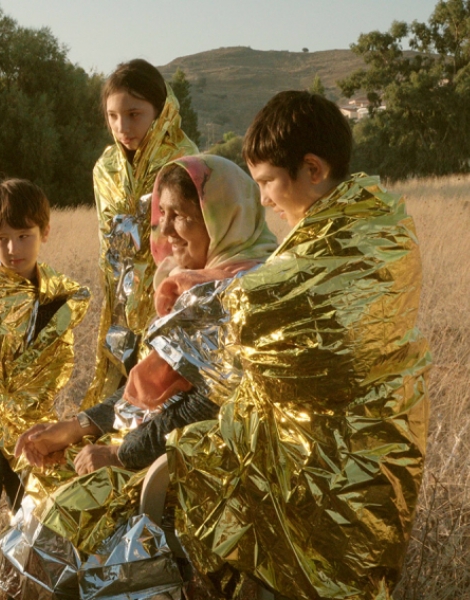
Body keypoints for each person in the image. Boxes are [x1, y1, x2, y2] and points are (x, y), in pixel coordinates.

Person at [160, 91, 431, 599]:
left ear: (311, 169)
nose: (262, 200)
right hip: (332, 445)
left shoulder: (360, 236)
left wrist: (218, 306)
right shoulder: (365, 224)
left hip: (356, 453)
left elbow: (286, 319)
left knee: (327, 577)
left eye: (266, 183)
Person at [2, 155, 277, 599]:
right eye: (161, 213)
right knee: (43, 504)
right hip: (158, 450)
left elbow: (205, 405)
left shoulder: (241, 291)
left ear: (222, 218)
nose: (165, 230)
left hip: (202, 475)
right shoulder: (190, 282)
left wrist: (121, 455)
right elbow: (146, 393)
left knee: (66, 536)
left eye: (182, 216)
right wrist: (74, 427)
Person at [0, 179, 90, 593]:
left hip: (35, 431)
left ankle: (22, 586)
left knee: (34, 514)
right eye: (2, 239)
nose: (13, 249)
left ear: (45, 233)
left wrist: (34, 421)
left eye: (23, 236)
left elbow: (60, 364)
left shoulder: (61, 297)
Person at [83, 58, 198, 410]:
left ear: (160, 112)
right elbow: (109, 245)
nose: (123, 126)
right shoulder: (106, 169)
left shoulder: (186, 161)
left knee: (163, 400)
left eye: (134, 114)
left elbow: (195, 239)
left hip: (171, 298)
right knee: (117, 400)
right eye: (113, 116)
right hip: (120, 303)